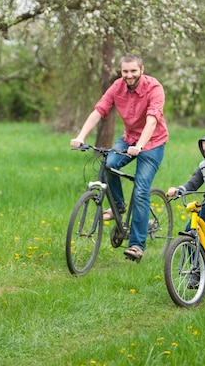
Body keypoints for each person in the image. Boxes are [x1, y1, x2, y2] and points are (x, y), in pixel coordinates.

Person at [70, 54, 169, 262]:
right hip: (129, 138)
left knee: (141, 190)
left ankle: (136, 245)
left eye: (133, 71)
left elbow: (152, 121)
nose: (129, 75)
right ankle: (119, 206)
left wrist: (140, 146)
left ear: (142, 69)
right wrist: (81, 136)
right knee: (109, 164)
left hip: (152, 143)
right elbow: (99, 110)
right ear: (121, 71)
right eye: (125, 71)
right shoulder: (117, 86)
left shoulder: (154, 88)